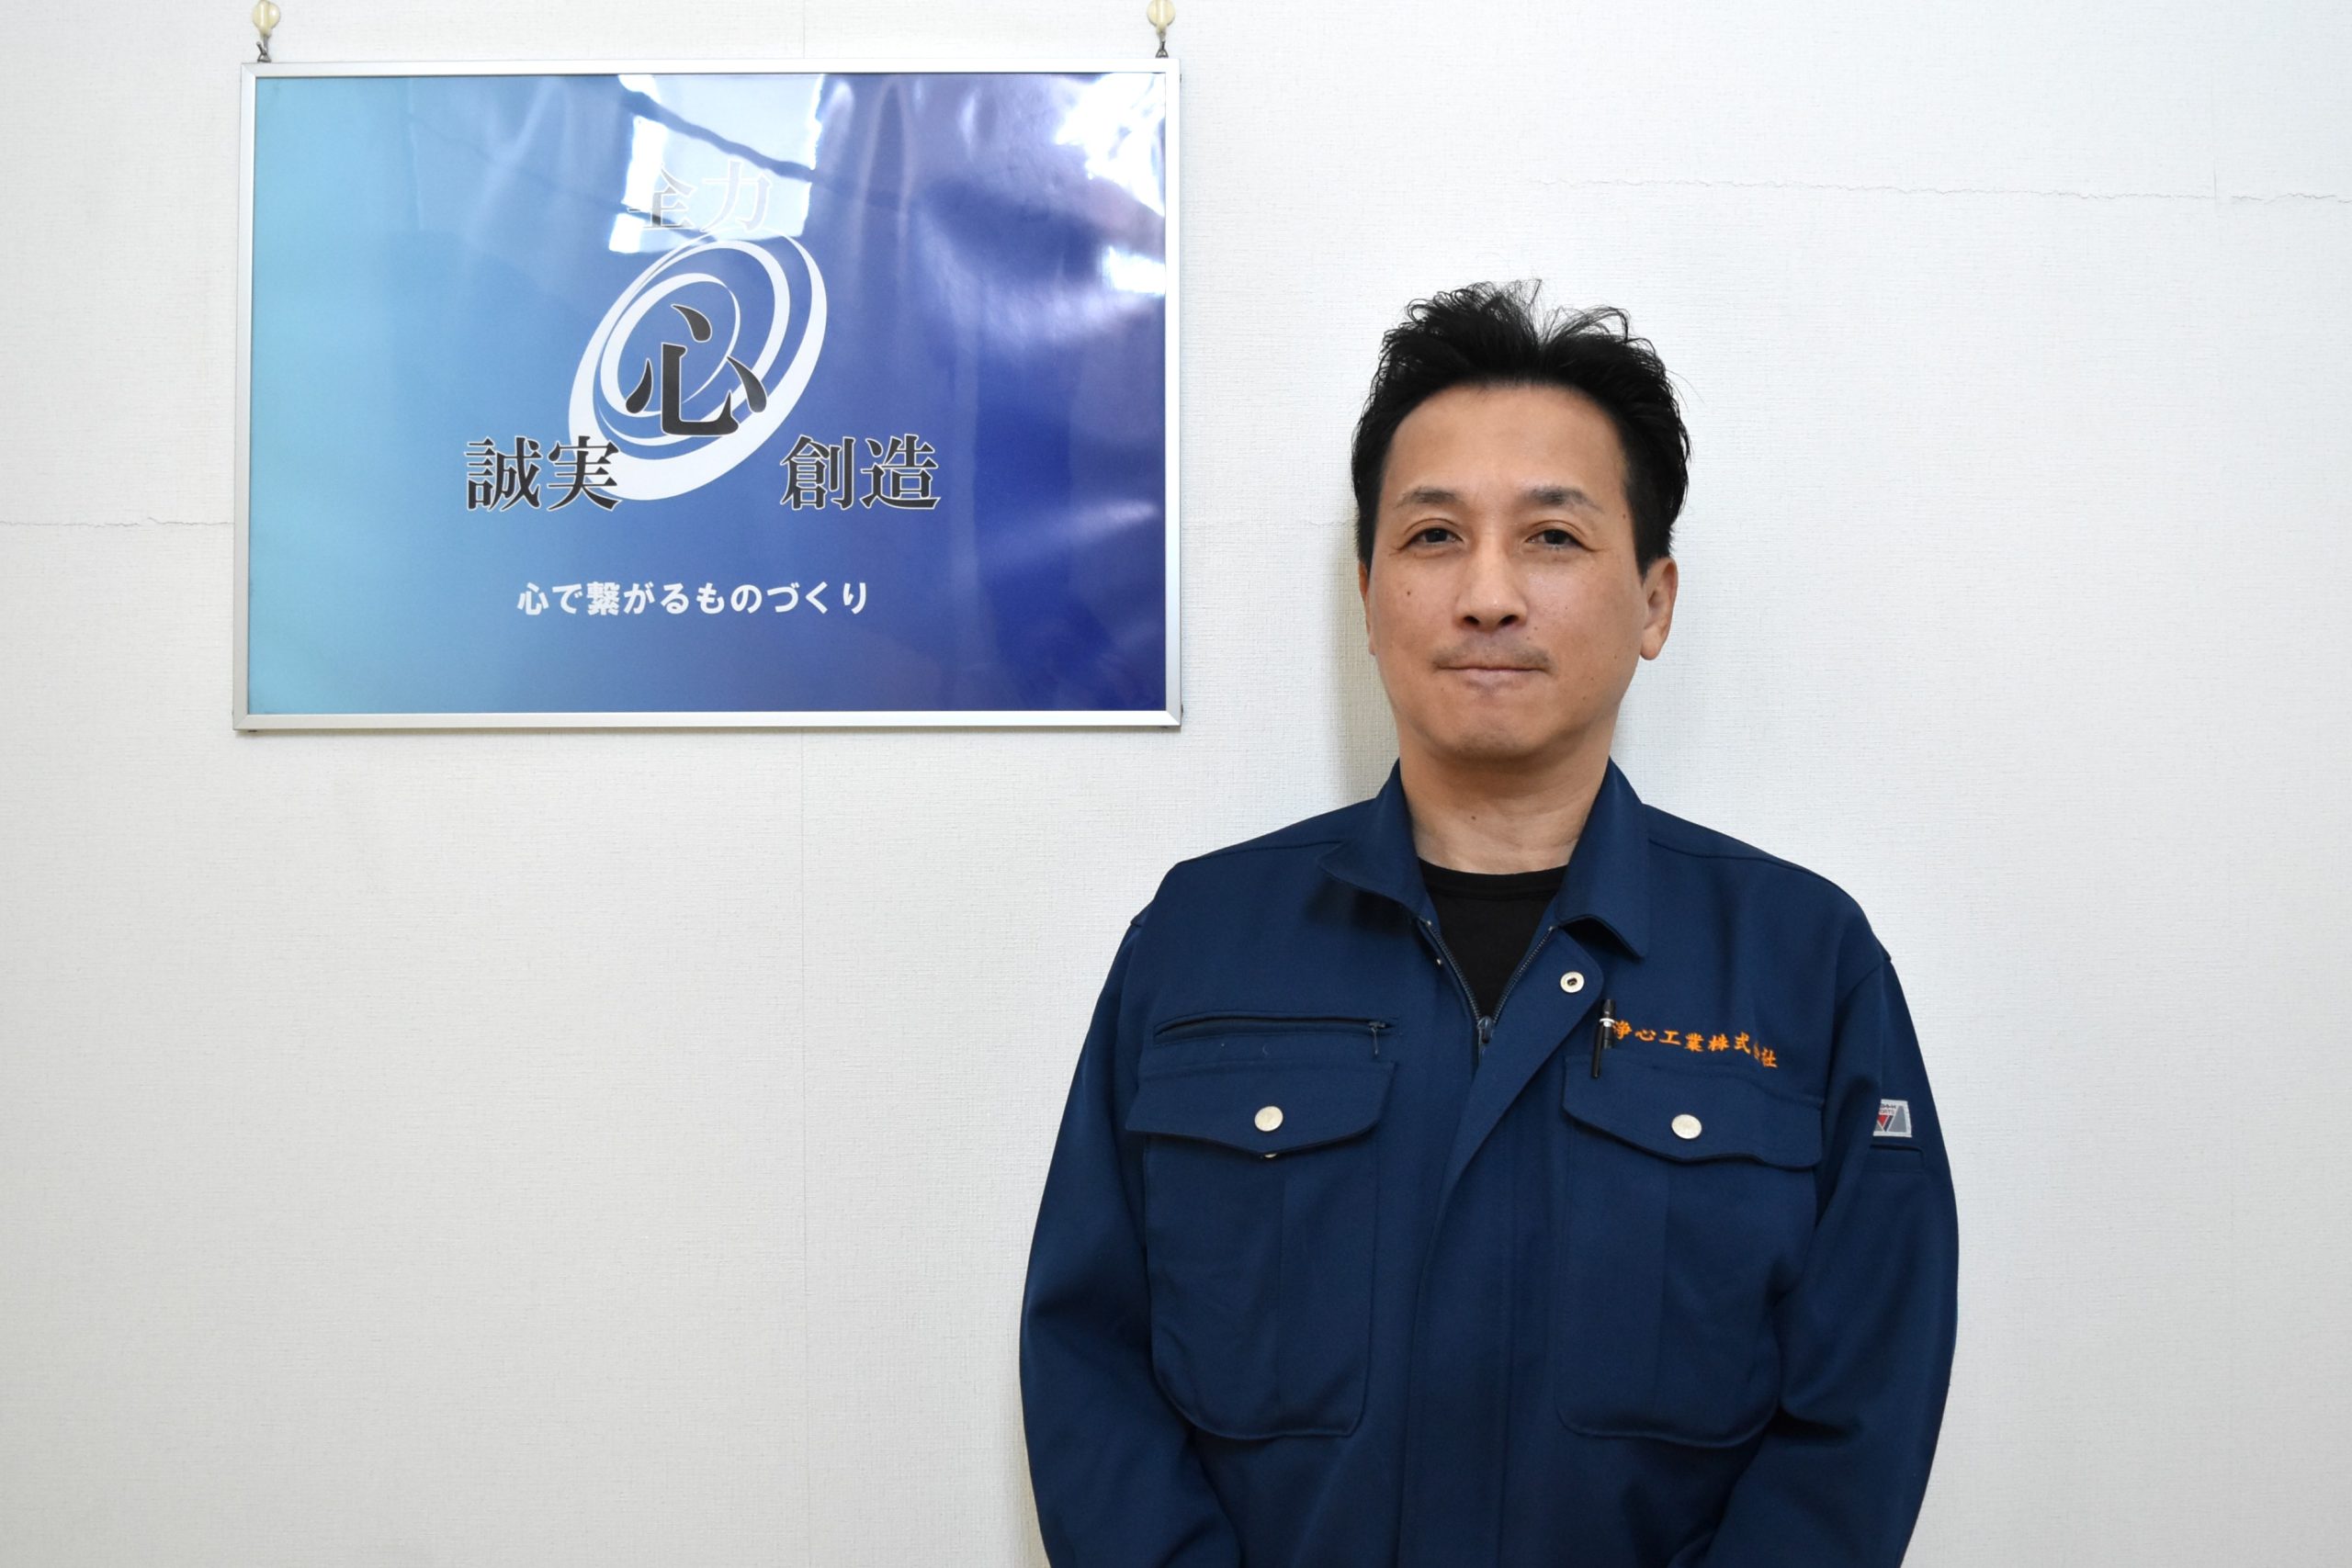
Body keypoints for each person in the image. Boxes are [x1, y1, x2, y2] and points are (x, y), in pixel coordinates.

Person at [1018, 280, 1959, 1567]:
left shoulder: (1804, 964)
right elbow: (1090, 1367)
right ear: (1368, 595)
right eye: (1434, 536)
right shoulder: (1199, 944)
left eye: (1554, 537)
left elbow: (1858, 1421)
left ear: (1655, 601)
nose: (1489, 594)